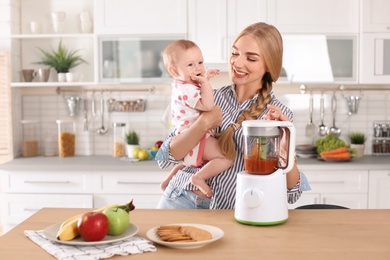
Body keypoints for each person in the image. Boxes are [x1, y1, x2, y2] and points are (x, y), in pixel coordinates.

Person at [156, 22, 304, 209]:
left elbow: (292, 193)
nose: (237, 63)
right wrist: (203, 123)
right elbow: (165, 157)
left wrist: (286, 145)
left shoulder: (278, 116)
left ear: (269, 65)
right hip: (179, 199)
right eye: (234, 53)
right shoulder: (207, 97)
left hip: (230, 212)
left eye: (251, 58)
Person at [159, 39, 233, 198]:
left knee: (186, 164)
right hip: (197, 137)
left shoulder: (181, 84)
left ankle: (167, 182)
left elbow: (196, 95)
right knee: (225, 157)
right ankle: (198, 177)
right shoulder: (186, 89)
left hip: (187, 134)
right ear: (174, 71)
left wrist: (204, 79)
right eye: (190, 65)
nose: (198, 67)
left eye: (200, 62)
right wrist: (205, 82)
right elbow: (207, 106)